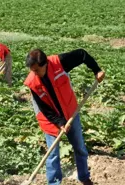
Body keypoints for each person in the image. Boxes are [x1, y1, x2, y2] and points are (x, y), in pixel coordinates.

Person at [23, 48, 105, 185]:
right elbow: (44, 109)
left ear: (45, 64)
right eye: (32, 70)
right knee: (52, 155)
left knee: (79, 147)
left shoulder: (59, 62)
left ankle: (84, 178)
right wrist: (59, 122)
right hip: (49, 119)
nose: (34, 73)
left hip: (71, 112)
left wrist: (97, 70)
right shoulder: (32, 82)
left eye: (37, 70)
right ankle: (54, 183)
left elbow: (82, 54)